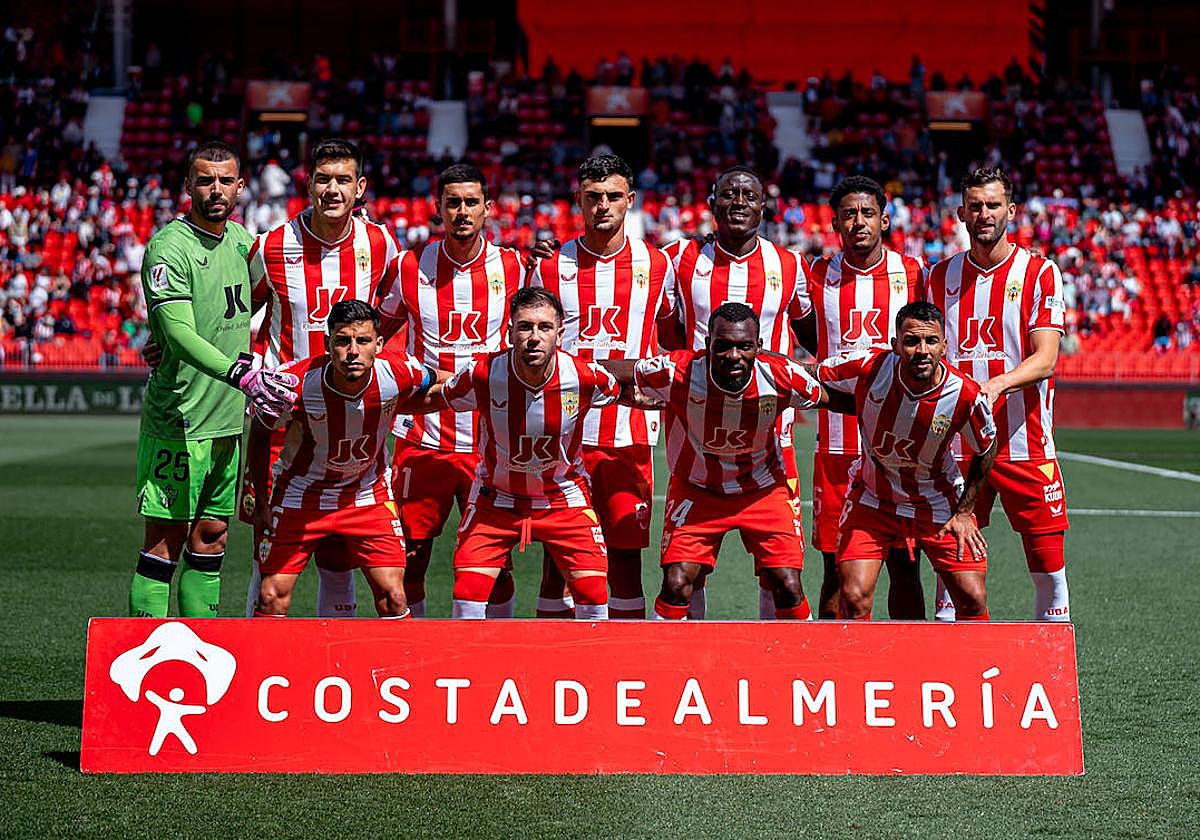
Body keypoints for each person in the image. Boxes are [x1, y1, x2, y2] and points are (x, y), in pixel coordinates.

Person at [130, 140, 296, 618]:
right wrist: (237, 370)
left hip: (227, 421)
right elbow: (180, 332)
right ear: (189, 186)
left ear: (241, 186)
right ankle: (149, 663)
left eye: (225, 180)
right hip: (179, 421)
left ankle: (202, 654)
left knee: (212, 538)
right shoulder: (169, 247)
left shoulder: (244, 243)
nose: (216, 189)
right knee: (164, 543)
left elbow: (261, 299)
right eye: (205, 180)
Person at [242, 137, 403, 619]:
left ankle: (336, 664)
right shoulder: (272, 246)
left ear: (360, 188)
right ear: (308, 184)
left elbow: (390, 321)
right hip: (284, 420)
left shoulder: (380, 245)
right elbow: (237, 316)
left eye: (343, 180)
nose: (332, 189)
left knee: (341, 552)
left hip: (353, 419)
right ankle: (258, 660)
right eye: (323, 179)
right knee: (268, 555)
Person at [604, 302, 829, 620]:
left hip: (763, 490)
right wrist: (559, 368)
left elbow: (835, 396)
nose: (733, 356)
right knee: (677, 582)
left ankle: (791, 665)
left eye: (744, 346)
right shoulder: (676, 370)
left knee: (788, 585)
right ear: (707, 345)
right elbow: (616, 370)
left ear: (759, 347)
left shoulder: (779, 374)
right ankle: (670, 663)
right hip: (698, 489)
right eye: (722, 346)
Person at [528, 153, 675, 619]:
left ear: (630, 200)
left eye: (613, 196)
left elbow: (669, 337)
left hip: (627, 435)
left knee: (626, 556)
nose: (603, 206)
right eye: (593, 197)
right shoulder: (551, 266)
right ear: (578, 201)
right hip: (561, 435)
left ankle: (624, 662)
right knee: (557, 558)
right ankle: (549, 662)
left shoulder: (656, 265)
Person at [376, 163, 525, 619]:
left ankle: (495, 653)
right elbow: (378, 333)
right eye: (453, 202)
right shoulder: (407, 267)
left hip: (492, 443)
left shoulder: (516, 267)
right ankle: (414, 651)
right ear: (438, 208)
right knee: (412, 557)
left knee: (495, 565)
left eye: (471, 202)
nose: (462, 211)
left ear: (488, 209)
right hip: (424, 439)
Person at [659, 165, 807, 619]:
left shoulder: (789, 264)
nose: (739, 202)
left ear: (763, 205)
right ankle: (687, 659)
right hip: (697, 428)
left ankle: (775, 660)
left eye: (749, 195)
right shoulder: (679, 259)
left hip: (770, 436)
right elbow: (668, 335)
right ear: (712, 202)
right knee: (686, 572)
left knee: (778, 572)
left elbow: (810, 331)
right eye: (729, 194)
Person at [925, 167, 1071, 622]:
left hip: (1024, 444)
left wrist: (995, 386)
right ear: (961, 214)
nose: (984, 214)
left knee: (1048, 566)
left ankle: (1051, 666)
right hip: (957, 445)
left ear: (1010, 210)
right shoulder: (937, 277)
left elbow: (1045, 359)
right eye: (975, 206)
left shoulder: (1040, 273)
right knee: (955, 565)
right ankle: (953, 665)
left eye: (993, 205)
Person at [249, 300, 443, 618]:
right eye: (342, 341)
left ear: (379, 344)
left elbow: (441, 379)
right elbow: (259, 431)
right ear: (328, 344)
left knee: (394, 596)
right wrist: (261, 503)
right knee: (271, 596)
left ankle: (399, 667)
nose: (352, 351)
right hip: (302, 495)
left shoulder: (399, 371)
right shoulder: (295, 383)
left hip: (367, 493)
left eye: (363, 341)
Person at [436, 288, 620, 620]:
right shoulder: (483, 373)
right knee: (468, 594)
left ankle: (593, 669)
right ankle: (475, 668)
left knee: (593, 592)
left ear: (560, 333)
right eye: (524, 327)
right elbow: (437, 397)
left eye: (544, 327)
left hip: (562, 497)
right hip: (496, 498)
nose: (534, 337)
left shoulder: (585, 376)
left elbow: (630, 391)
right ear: (509, 332)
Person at [794, 176, 926, 619]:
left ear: (884, 220)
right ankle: (833, 665)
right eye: (849, 214)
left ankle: (909, 667)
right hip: (836, 442)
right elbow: (810, 337)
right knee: (835, 566)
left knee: (905, 565)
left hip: (898, 445)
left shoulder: (912, 274)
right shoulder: (816, 274)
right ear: (835, 223)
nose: (859, 222)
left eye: (867, 213)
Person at [817, 301, 998, 620]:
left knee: (973, 596)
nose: (922, 350)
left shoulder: (965, 394)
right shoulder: (869, 367)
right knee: (854, 595)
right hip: (873, 498)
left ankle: (971, 669)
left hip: (937, 502)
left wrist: (966, 511)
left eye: (931, 341)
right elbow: (812, 375)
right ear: (895, 344)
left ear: (945, 345)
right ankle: (859, 667)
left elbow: (987, 446)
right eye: (912, 341)